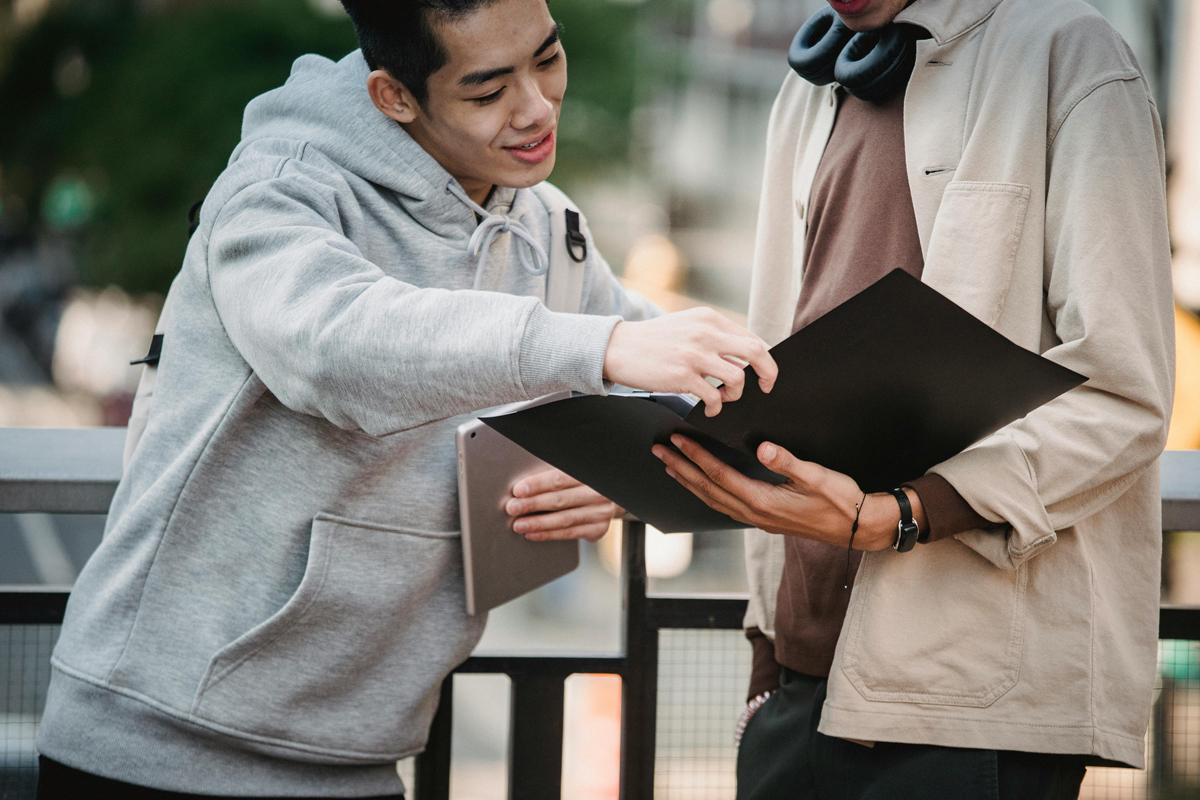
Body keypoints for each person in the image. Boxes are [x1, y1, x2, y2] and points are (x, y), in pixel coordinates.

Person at [33, 0, 777, 797]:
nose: (535, 107)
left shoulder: (548, 228)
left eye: (548, 60)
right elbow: (335, 346)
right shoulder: (278, 192)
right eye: (488, 90)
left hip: (364, 758)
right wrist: (596, 346)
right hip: (153, 742)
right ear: (395, 96)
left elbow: (676, 392)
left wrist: (618, 475)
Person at [654, 0, 1175, 798]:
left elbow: (1123, 393)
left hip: (966, 705)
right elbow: (777, 352)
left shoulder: (1068, 51)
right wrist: (767, 667)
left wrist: (901, 513)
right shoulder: (811, 80)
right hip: (796, 687)